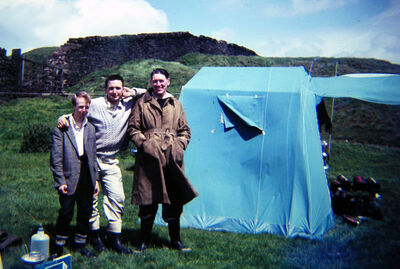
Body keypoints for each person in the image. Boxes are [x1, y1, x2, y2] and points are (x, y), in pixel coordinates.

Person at [57, 74, 146, 254]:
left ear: (123, 89)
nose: (115, 91)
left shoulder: (128, 104)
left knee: (118, 197)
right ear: (105, 90)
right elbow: (78, 112)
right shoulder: (96, 104)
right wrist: (63, 116)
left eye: (118, 88)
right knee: (91, 200)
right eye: (111, 88)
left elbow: (148, 93)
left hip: (111, 160)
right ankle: (95, 237)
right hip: (91, 160)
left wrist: (132, 92)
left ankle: (115, 239)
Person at [128, 68, 198, 253]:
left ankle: (175, 241)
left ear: (168, 81)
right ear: (150, 83)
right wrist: (145, 144)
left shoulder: (176, 104)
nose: (158, 84)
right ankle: (143, 242)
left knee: (174, 201)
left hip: (171, 159)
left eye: (161, 81)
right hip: (149, 159)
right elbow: (133, 128)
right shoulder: (142, 103)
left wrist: (179, 146)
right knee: (147, 200)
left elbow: (185, 131)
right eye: (155, 81)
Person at [50, 91, 99, 258]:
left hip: (86, 173)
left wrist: (96, 180)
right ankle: (58, 245)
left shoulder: (91, 128)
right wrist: (60, 181)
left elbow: (93, 156)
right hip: (69, 174)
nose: (83, 110)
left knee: (85, 210)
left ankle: (80, 243)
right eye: (80, 106)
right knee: (66, 211)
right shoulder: (62, 127)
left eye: (86, 107)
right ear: (73, 106)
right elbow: (56, 158)